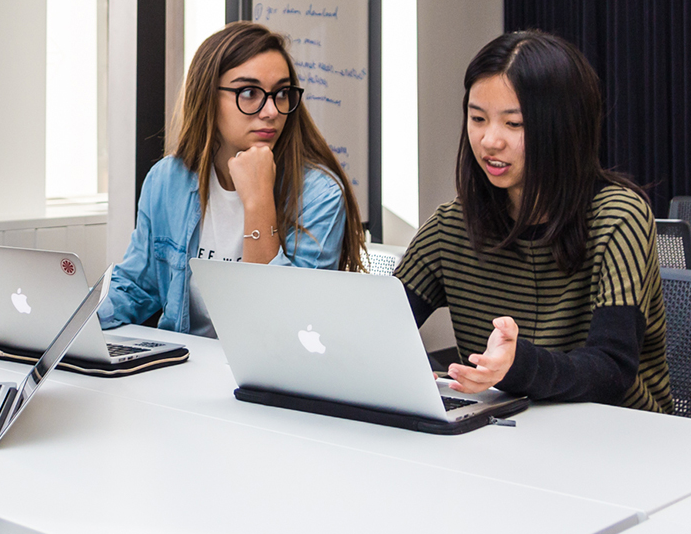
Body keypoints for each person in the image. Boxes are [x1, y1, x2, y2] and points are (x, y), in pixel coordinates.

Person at [394, 30, 671, 412]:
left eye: (514, 124)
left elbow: (612, 370)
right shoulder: (452, 225)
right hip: (507, 435)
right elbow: (381, 326)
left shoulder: (618, 218)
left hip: (619, 438)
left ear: (562, 128)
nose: (490, 140)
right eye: (478, 118)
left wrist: (517, 365)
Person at [99, 21, 367, 336]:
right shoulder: (167, 180)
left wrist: (258, 201)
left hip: (268, 377)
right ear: (207, 97)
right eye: (250, 93)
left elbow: (279, 326)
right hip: (185, 367)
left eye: (281, 93)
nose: (271, 111)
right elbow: (136, 287)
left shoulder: (320, 196)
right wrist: (66, 326)